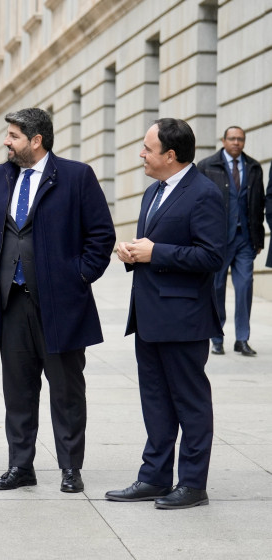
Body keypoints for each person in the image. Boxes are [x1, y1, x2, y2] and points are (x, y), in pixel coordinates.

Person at [0, 108, 115, 494]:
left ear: (36, 140)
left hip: (61, 305)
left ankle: (71, 468)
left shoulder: (75, 176)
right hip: (11, 301)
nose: (7, 141)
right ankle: (20, 466)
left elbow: (101, 236)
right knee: (18, 392)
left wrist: (77, 277)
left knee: (67, 392)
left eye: (13, 136)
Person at [109, 118, 225, 510]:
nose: (140, 154)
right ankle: (154, 477)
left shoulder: (204, 193)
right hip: (149, 317)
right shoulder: (152, 193)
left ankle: (193, 483)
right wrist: (132, 253)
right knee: (155, 401)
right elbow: (153, 245)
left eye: (147, 147)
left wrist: (155, 252)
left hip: (184, 319)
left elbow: (212, 255)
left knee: (190, 403)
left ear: (170, 155)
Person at [198, 126, 265, 356]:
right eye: (232, 139)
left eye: (240, 139)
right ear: (223, 141)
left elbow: (259, 203)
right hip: (217, 240)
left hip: (246, 239)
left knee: (245, 286)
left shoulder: (254, 167)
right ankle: (216, 338)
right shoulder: (207, 166)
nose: (236, 142)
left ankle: (242, 339)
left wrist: (258, 238)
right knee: (216, 287)